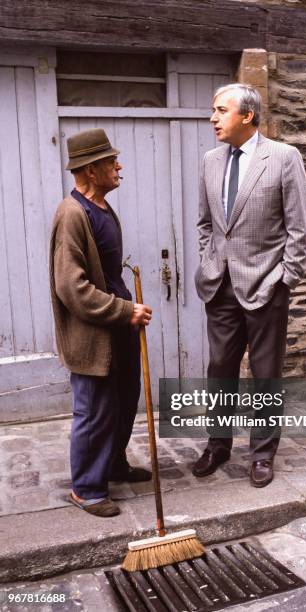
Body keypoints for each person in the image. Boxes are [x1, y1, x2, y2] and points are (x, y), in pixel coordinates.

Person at [193, 83, 306, 487]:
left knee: (265, 374)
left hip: (266, 285)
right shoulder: (210, 161)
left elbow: (300, 228)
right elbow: (206, 224)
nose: (213, 118)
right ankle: (218, 444)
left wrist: (285, 279)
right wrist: (208, 261)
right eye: (213, 110)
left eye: (221, 110)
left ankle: (262, 453)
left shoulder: (283, 158)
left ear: (247, 115)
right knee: (219, 370)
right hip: (219, 286)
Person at [50, 128, 152, 517]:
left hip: (120, 329)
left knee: (123, 402)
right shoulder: (72, 214)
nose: (118, 165)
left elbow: (108, 273)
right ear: (91, 170)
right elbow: (71, 287)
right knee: (93, 411)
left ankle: (112, 466)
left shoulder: (103, 209)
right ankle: (87, 489)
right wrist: (125, 310)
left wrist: (128, 312)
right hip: (94, 334)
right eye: (111, 161)